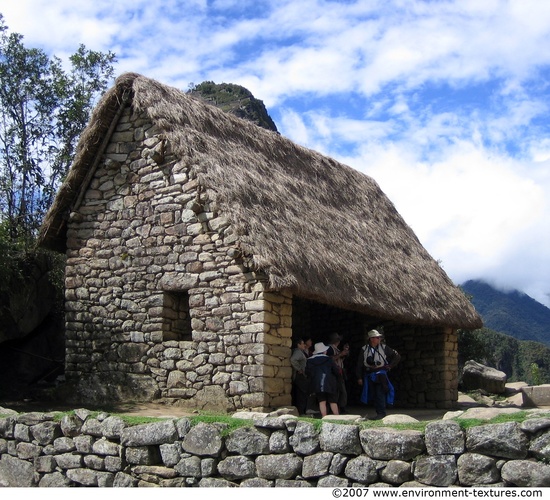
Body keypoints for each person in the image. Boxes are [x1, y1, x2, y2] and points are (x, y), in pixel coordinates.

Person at [356, 329, 401, 420]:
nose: (379, 339)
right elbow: (359, 364)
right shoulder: (364, 349)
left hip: (380, 374)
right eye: (377, 337)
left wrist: (389, 366)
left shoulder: (384, 348)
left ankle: (381, 413)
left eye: (379, 337)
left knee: (380, 393)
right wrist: (359, 377)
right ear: (371, 339)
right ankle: (379, 412)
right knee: (373, 394)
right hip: (369, 374)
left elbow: (397, 356)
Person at [306, 342, 341, 417]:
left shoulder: (309, 361)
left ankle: (324, 417)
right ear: (324, 351)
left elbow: (308, 372)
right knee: (333, 401)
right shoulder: (329, 359)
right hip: (330, 383)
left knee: (322, 401)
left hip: (317, 384)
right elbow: (336, 371)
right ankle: (337, 417)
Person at [326, 332, 350, 412]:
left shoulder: (335, 349)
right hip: (334, 372)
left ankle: (338, 407)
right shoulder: (329, 349)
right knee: (339, 391)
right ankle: (339, 408)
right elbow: (329, 359)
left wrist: (343, 353)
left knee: (340, 391)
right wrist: (341, 354)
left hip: (338, 371)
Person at [290, 338, 310, 415]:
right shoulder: (298, 352)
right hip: (300, 376)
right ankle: (301, 412)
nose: (304, 345)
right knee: (302, 394)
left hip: (299, 376)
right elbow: (293, 360)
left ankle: (301, 411)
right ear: (298, 345)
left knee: (300, 394)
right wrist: (299, 369)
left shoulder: (299, 352)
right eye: (302, 344)